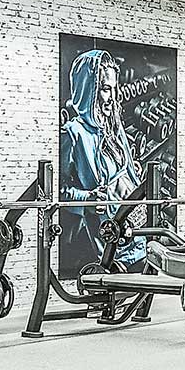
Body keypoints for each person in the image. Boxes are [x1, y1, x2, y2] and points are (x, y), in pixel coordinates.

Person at [59, 49, 144, 267]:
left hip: (138, 229)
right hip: (112, 241)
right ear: (88, 90)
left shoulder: (112, 125)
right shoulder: (73, 133)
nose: (112, 97)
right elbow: (59, 192)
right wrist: (87, 198)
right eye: (106, 89)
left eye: (114, 89)